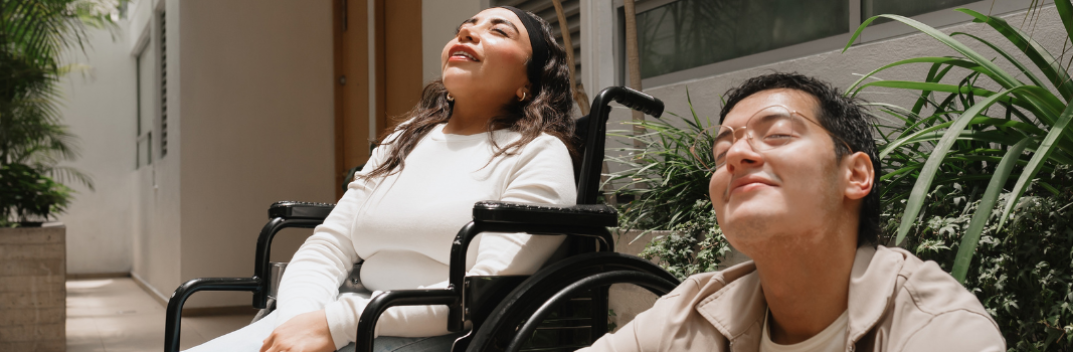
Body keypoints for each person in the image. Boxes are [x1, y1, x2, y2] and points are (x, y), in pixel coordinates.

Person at [186, 6, 577, 352]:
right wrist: (300, 318)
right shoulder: (404, 140)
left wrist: (337, 324)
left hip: (437, 333)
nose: (468, 32)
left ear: (528, 81)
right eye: (467, 24)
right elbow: (329, 245)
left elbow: (486, 287)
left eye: (499, 31)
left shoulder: (539, 153)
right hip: (337, 315)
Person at [580, 73, 1005, 352]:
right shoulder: (691, 314)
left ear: (855, 175)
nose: (737, 155)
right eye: (722, 151)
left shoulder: (936, 328)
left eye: (778, 134)